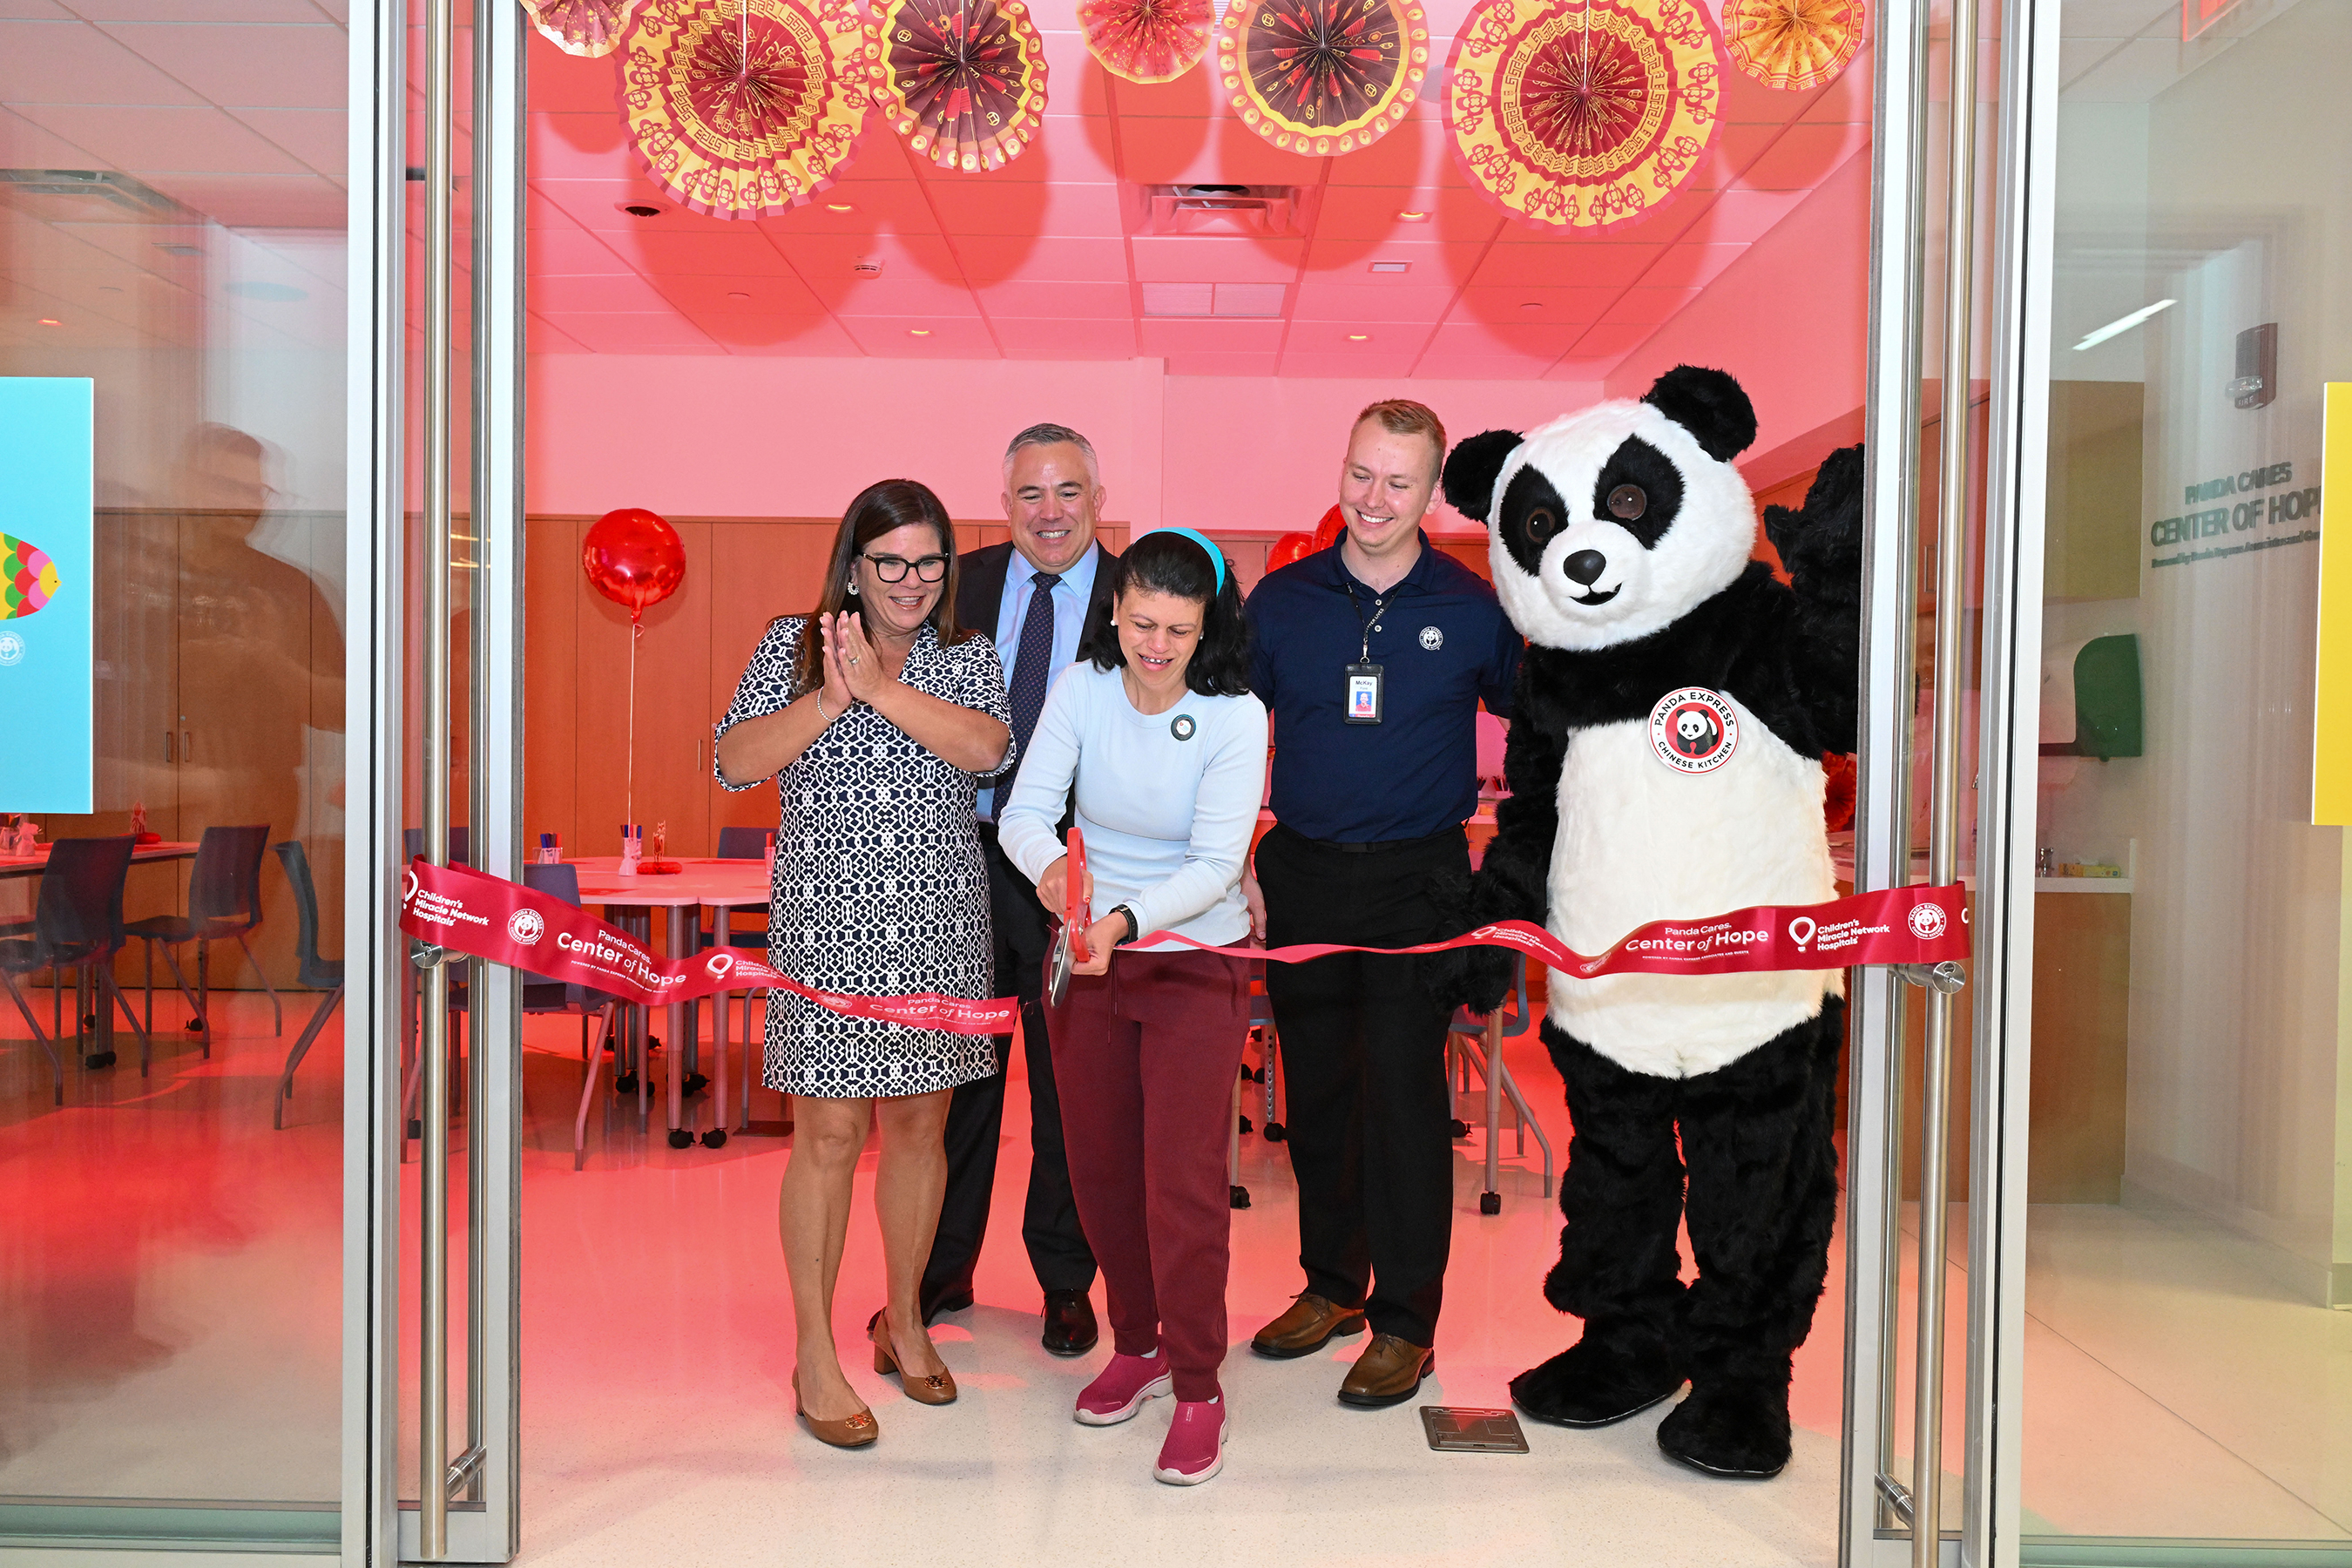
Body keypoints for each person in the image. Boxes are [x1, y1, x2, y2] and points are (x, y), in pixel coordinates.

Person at [713, 479, 1014, 1449]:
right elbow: (735, 761)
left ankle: (907, 1321)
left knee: (922, 1133)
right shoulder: (790, 644)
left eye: (930, 562)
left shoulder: (967, 657)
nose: (913, 580)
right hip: (828, 929)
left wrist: (884, 691)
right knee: (830, 1138)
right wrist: (832, 698)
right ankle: (813, 1351)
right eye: (892, 562)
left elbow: (987, 750)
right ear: (854, 566)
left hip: (938, 927)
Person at [1240, 400, 1524, 1408]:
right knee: (1315, 1099)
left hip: (1421, 880)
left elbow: (1539, 718)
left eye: (1398, 482)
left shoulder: (1477, 606)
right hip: (1305, 874)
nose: (1373, 499)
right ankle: (1332, 1286)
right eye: (1361, 473)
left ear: (1430, 492)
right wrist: (1237, 857)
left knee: (1403, 1104)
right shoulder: (1279, 604)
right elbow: (1233, 733)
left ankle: (1408, 1320)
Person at [998, 529, 1267, 1485]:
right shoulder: (1081, 691)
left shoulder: (1236, 717)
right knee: (1101, 1169)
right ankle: (1140, 1342)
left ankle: (1199, 1384)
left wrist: (1123, 916)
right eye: (1143, 623)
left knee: (1181, 1182)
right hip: (1087, 955)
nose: (1157, 647)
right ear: (1115, 610)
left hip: (1192, 958)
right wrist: (1057, 880)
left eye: (1180, 631)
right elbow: (1024, 813)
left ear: (1208, 629)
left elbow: (1216, 860)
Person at [921, 422, 1119, 1355]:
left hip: (1071, 876)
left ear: (1098, 499)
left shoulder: (1136, 597)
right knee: (958, 1084)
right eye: (1032, 494)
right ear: (1004, 503)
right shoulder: (954, 582)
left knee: (1067, 1092)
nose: (1050, 512)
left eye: (1068, 491)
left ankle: (1066, 1283)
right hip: (960, 862)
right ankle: (940, 1267)